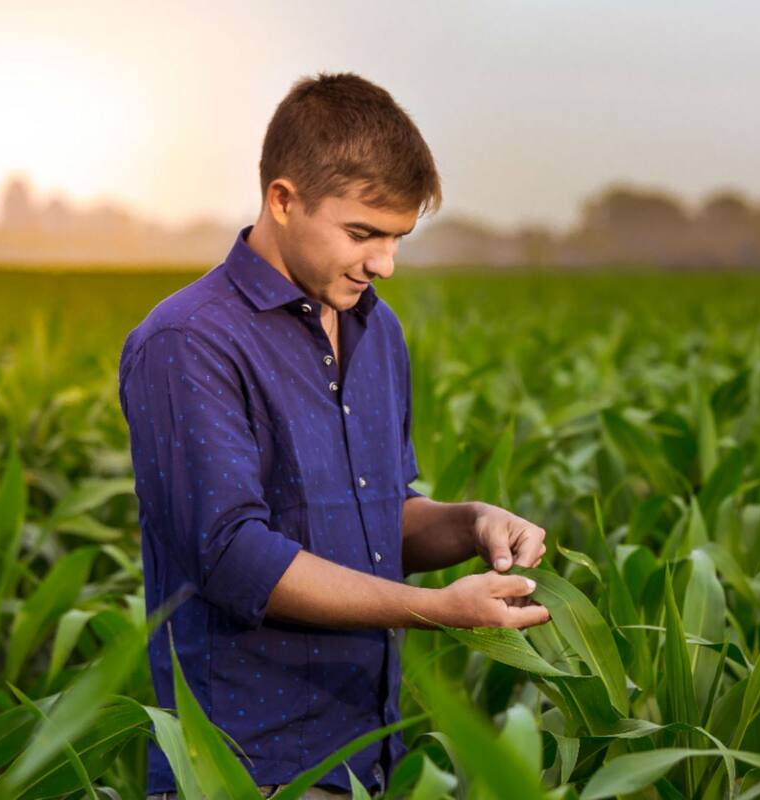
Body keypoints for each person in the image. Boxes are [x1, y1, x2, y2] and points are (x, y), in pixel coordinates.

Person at [118, 72, 551, 800]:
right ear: (283, 200)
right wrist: (437, 609)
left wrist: (472, 523)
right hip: (244, 770)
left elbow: (380, 516)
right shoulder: (187, 341)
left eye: (398, 238)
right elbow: (233, 558)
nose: (384, 263)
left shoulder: (377, 330)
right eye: (363, 234)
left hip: (369, 753)